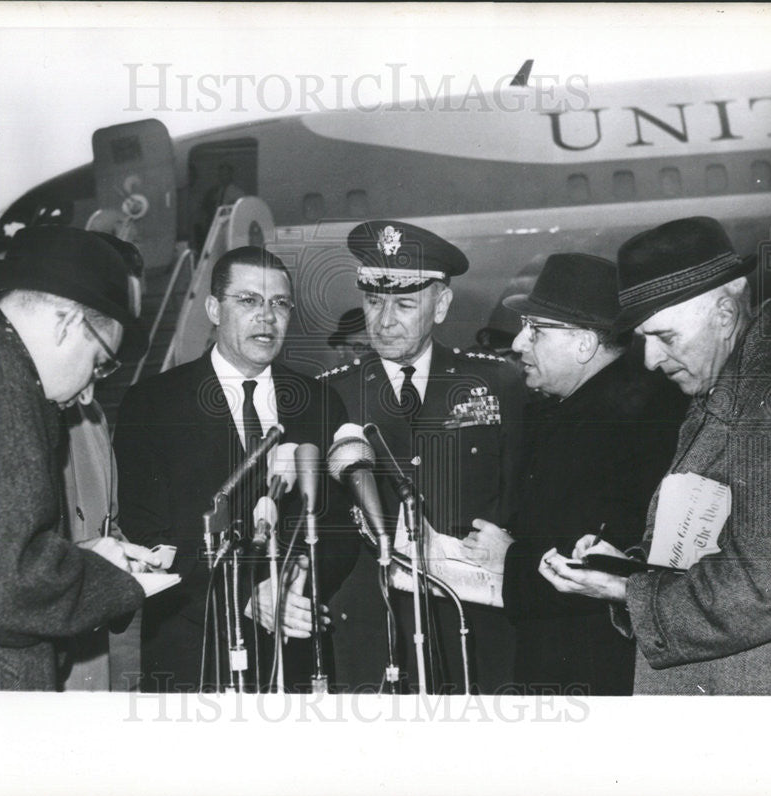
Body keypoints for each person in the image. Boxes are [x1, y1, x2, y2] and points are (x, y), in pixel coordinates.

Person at [540, 216, 771, 695]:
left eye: (664, 336)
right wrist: (627, 565)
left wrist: (626, 591)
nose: (650, 361)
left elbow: (763, 587)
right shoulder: (728, 390)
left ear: (725, 315)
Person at [113, 246, 349, 692]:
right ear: (213, 309)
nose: (267, 317)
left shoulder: (319, 402)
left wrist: (300, 581)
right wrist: (244, 597)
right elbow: (146, 531)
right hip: (195, 650)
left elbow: (340, 523)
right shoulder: (153, 403)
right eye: (248, 301)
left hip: (296, 647)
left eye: (279, 303)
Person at [462, 253, 685, 695]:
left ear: (584, 345)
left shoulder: (627, 426)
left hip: (595, 673)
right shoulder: (591, 410)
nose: (520, 343)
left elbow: (605, 562)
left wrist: (508, 557)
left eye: (537, 330)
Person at [321, 220, 527, 693]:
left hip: (474, 625)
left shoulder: (498, 384)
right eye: (374, 302)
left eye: (404, 304)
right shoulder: (333, 396)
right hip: (374, 632)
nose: (385, 320)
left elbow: (519, 492)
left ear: (442, 305)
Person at [0, 226, 156, 691]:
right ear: (66, 325)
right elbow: (8, 590)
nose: (91, 388)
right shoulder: (7, 387)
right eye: (100, 364)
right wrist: (113, 578)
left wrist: (77, 556)